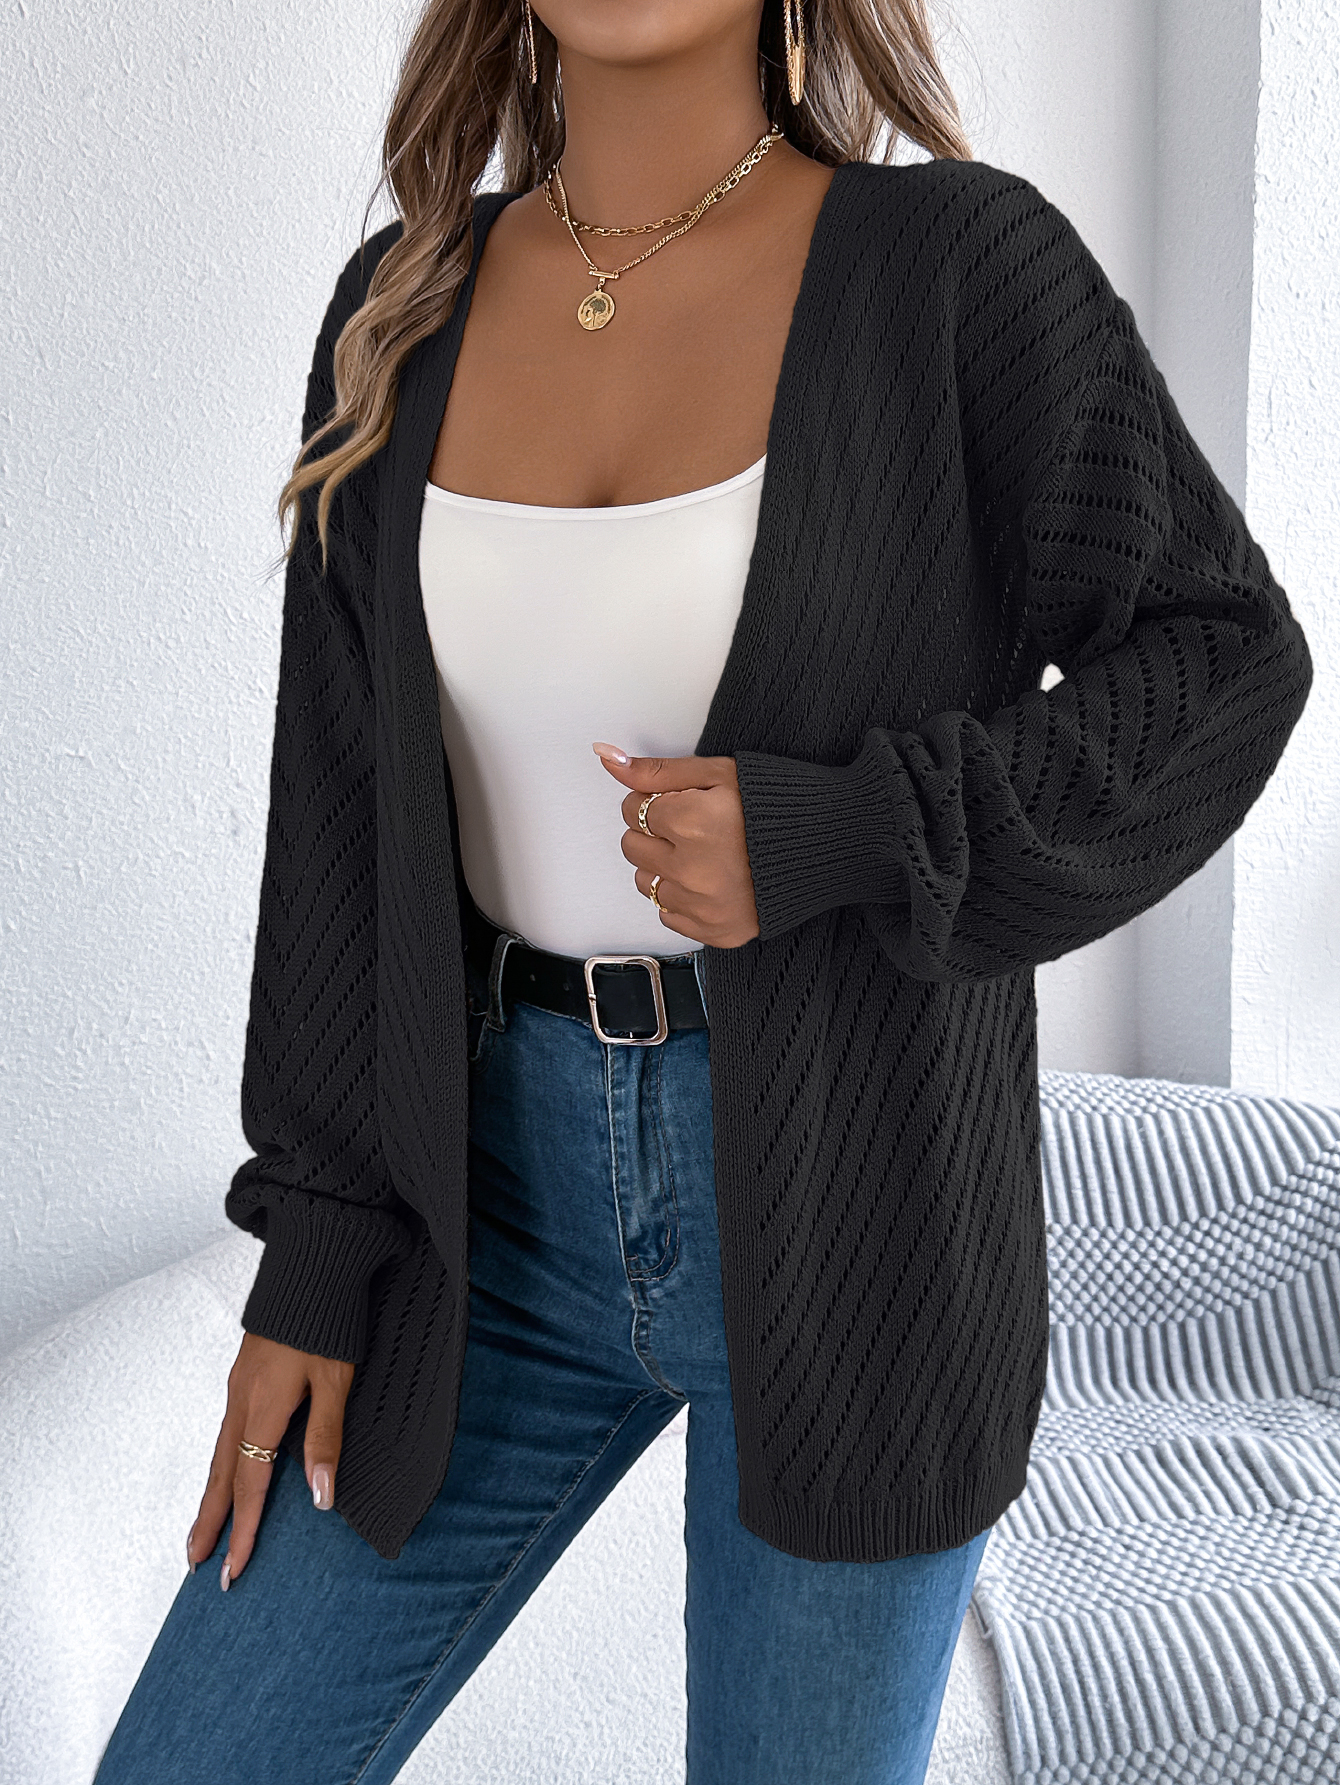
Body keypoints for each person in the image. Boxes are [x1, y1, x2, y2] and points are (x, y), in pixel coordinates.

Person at [94, 2, 1313, 1782]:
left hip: (858, 1213)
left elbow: (1223, 660)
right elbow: (340, 820)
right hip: (481, 1215)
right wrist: (318, 1252)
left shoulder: (957, 267)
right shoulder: (404, 304)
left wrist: (850, 830)